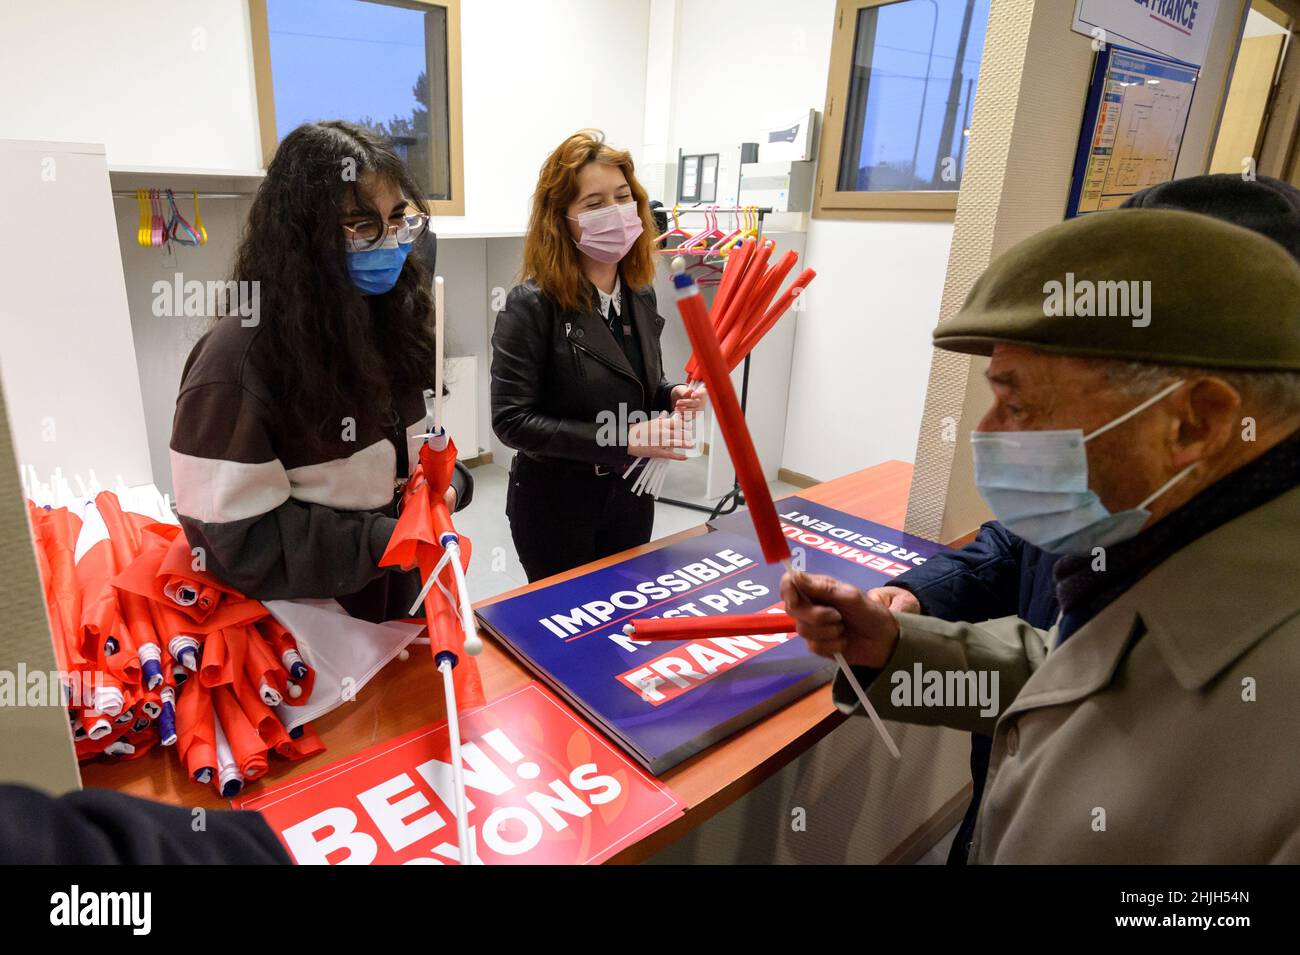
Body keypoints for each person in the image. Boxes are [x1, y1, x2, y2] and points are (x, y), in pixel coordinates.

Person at [782, 207, 1300, 863]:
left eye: (1019, 403)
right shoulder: (1167, 541)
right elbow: (1082, 671)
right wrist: (897, 645)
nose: (989, 435)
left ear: (1195, 422)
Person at [170, 121, 472, 622]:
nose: (390, 243)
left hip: (400, 591)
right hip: (315, 629)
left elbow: (404, 457)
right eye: (360, 225)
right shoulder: (238, 362)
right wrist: (387, 537)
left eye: (399, 219)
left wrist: (446, 484)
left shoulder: (388, 317)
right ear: (301, 237)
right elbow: (235, 540)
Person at [491, 130, 704, 582]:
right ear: (560, 219)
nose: (616, 213)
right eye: (594, 203)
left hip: (631, 495)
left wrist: (673, 395)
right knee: (563, 629)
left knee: (622, 616)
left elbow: (643, 382)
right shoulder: (530, 305)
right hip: (555, 504)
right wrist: (624, 438)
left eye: (623, 197)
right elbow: (512, 421)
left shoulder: (640, 294)